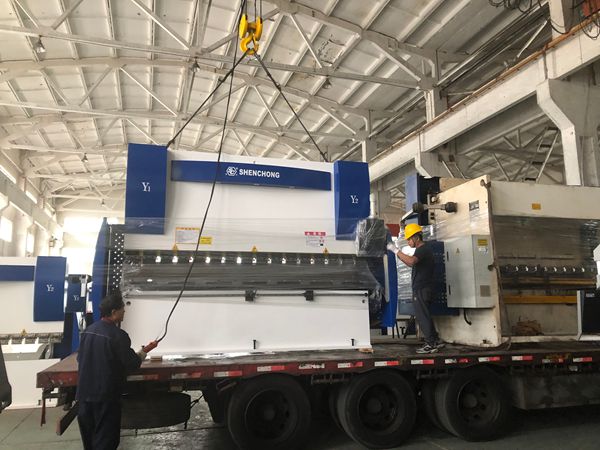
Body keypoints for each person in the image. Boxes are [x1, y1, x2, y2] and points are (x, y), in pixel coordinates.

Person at [76, 291, 158, 450]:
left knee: (90, 440)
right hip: (105, 397)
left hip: (84, 395)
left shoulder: (88, 331)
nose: (124, 311)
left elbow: (81, 358)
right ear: (114, 312)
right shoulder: (118, 335)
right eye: (122, 309)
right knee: (106, 440)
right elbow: (132, 363)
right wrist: (145, 351)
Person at [388, 223, 443, 354]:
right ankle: (435, 340)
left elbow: (411, 261)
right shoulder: (423, 250)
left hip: (421, 289)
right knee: (425, 315)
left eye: (409, 239)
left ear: (416, 237)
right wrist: (397, 253)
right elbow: (411, 263)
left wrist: (396, 250)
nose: (408, 242)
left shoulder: (422, 249)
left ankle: (430, 344)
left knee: (422, 316)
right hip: (424, 288)